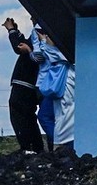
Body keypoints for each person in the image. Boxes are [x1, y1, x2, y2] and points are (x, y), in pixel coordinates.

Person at [2, 16, 44, 153]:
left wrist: (12, 31)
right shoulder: (43, 31)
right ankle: (34, 147)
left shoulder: (40, 31)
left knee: (20, 112)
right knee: (27, 115)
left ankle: (29, 147)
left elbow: (20, 48)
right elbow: (24, 44)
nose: (31, 18)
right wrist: (15, 31)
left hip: (26, 82)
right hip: (30, 83)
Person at [31, 24, 74, 152]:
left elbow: (52, 54)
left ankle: (61, 145)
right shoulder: (63, 59)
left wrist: (42, 43)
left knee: (52, 115)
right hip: (56, 86)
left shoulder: (65, 60)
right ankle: (58, 143)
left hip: (59, 87)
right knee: (47, 115)